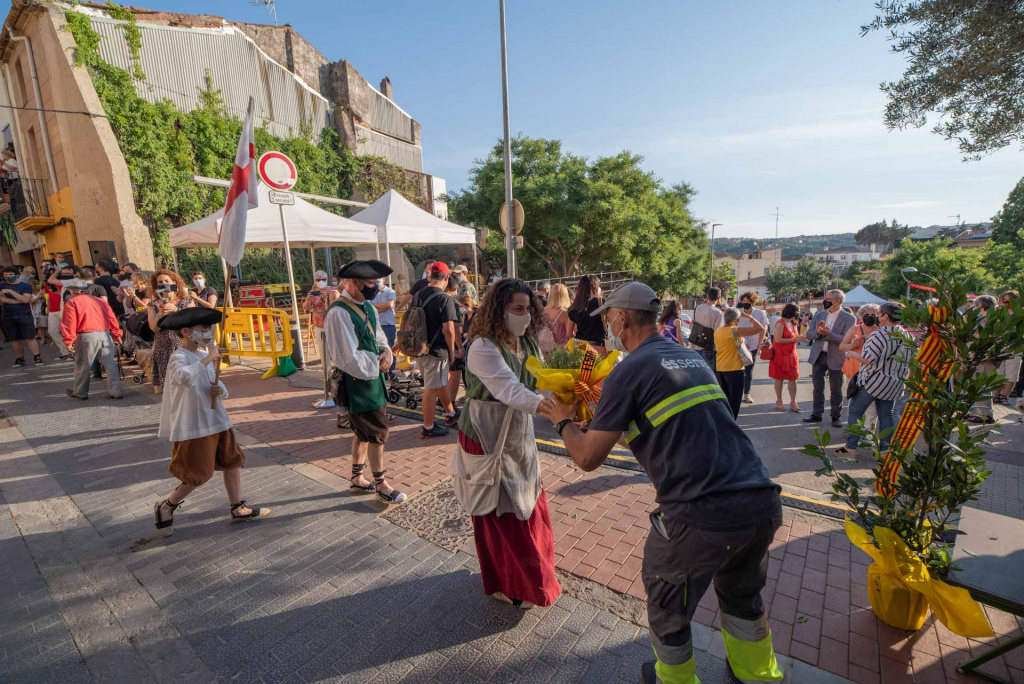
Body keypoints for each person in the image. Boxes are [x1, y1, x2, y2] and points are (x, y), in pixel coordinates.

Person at [537, 281, 784, 684]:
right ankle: (759, 676)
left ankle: (675, 680)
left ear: (621, 318)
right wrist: (599, 425)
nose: (610, 326)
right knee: (743, 601)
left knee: (667, 605)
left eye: (611, 318)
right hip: (759, 501)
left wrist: (563, 420)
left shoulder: (627, 371)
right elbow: (659, 424)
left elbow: (585, 459)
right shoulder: (689, 359)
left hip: (701, 511)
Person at [456, 278, 561, 609]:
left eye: (529, 309)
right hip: (485, 436)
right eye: (518, 309)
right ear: (498, 310)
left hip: (517, 433)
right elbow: (510, 390)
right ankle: (513, 585)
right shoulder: (483, 347)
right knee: (498, 513)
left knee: (528, 501)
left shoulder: (527, 345)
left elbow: (540, 382)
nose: (525, 315)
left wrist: (570, 400)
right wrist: (555, 413)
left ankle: (532, 580)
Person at [152, 307, 270, 536]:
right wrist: (208, 358)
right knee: (197, 474)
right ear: (186, 332)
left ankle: (238, 508)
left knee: (232, 461)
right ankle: (167, 506)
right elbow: (183, 378)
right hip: (197, 425)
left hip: (217, 419)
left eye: (209, 328)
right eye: (203, 329)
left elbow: (214, 385)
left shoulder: (199, 355)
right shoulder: (179, 356)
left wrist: (220, 390)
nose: (208, 332)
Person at [323, 260, 407, 504]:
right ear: (352, 282)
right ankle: (381, 484)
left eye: (375, 282)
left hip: (372, 378)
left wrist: (386, 352)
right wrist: (376, 362)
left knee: (362, 433)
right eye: (369, 282)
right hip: (358, 382)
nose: (374, 286)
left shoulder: (367, 307)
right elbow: (346, 357)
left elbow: (378, 335)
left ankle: (357, 478)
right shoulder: (339, 313)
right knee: (377, 433)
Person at [838, 302, 908, 454]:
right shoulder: (906, 334)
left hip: (874, 381)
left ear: (885, 317)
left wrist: (853, 354)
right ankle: (885, 450)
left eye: (879, 314)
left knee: (855, 410)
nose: (876, 317)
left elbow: (869, 359)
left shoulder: (879, 334)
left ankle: (851, 447)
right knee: (886, 414)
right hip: (895, 382)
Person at [413, 261, 462, 438]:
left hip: (420, 348)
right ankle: (428, 427)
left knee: (439, 382)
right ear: (447, 278)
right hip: (437, 351)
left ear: (430, 276)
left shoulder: (418, 294)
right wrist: (452, 350)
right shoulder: (445, 299)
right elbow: (449, 329)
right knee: (431, 388)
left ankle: (450, 414)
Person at [60, 279, 123, 400]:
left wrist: (69, 341)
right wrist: (116, 334)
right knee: (110, 365)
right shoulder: (100, 301)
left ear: (72, 291)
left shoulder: (72, 302)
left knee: (83, 366)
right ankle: (116, 392)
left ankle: (80, 393)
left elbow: (69, 323)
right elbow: (112, 318)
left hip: (86, 336)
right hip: (104, 334)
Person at [804, 289, 856, 427]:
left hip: (837, 357)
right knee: (817, 387)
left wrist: (829, 334)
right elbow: (808, 335)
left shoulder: (849, 318)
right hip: (818, 355)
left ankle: (835, 416)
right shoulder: (819, 315)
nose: (825, 301)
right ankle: (817, 413)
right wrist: (817, 331)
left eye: (828, 299)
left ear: (837, 301)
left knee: (836, 389)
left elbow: (845, 339)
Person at [148, 269, 195, 394]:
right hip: (164, 347)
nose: (164, 283)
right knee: (170, 384)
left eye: (166, 281)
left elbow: (193, 322)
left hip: (184, 344)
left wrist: (176, 311)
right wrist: (160, 314)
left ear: (174, 282)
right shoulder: (153, 304)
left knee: (187, 379)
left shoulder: (186, 301)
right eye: (160, 282)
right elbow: (153, 327)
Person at [714, 307, 765, 418]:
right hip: (734, 367)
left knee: (726, 398)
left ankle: (725, 421)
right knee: (735, 400)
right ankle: (732, 423)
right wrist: (750, 317)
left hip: (721, 367)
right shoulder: (735, 330)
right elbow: (759, 328)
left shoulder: (718, 330)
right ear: (736, 320)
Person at [1, 265, 42, 367]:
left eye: (10, 274)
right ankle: (20, 358)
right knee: (14, 339)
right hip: (8, 315)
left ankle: (37, 357)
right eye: (5, 274)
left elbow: (26, 300)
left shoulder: (25, 286)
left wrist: (10, 292)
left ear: (17, 275)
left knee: (30, 337)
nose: (8, 276)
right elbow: (2, 300)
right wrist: (20, 300)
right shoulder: (1, 286)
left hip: (24, 315)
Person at [769, 303, 807, 412]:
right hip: (780, 355)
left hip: (791, 354)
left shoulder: (793, 323)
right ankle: (779, 400)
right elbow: (777, 340)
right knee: (779, 378)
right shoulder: (780, 323)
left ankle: (793, 401)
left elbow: (796, 337)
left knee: (793, 378)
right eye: (797, 312)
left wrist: (801, 338)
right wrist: (794, 340)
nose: (798, 314)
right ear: (792, 312)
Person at [968, 296, 999, 424]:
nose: (973, 307)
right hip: (978, 357)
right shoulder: (982, 319)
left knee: (982, 386)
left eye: (975, 305)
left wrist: (974, 335)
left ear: (981, 305)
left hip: (986, 357)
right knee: (977, 386)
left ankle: (985, 415)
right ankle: (976, 412)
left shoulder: (992, 319)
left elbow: (990, 337)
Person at [737, 292, 769, 404]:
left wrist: (759, 345)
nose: (745, 303)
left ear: (753, 302)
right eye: (744, 301)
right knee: (737, 370)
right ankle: (737, 392)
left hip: (753, 346)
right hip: (739, 346)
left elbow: (763, 329)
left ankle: (747, 393)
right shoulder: (738, 313)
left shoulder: (760, 313)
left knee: (749, 371)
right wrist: (742, 342)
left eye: (748, 302)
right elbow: (734, 329)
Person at [838, 304, 881, 381]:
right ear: (861, 316)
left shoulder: (880, 330)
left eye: (873, 315)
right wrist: (853, 345)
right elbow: (841, 347)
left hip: (872, 368)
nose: (870, 317)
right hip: (854, 367)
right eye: (867, 314)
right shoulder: (854, 329)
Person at [568, 275, 606, 354]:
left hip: (580, 348)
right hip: (599, 347)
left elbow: (568, 334)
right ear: (595, 287)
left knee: (584, 367)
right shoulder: (602, 303)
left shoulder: (573, 307)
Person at [996, 291, 1021, 406]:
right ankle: (995, 395)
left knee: (1011, 373)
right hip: (1000, 344)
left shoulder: (1020, 313)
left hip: (1015, 345)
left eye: (1009, 300)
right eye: (1004, 300)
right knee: (998, 371)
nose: (1006, 303)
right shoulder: (999, 311)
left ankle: (1004, 396)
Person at [691, 287, 725, 368]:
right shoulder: (718, 313)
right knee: (709, 371)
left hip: (695, 342)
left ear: (707, 296)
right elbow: (718, 331)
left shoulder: (699, 307)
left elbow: (695, 322)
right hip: (708, 346)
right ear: (719, 297)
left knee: (698, 370)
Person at [371, 277, 397, 377]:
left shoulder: (390, 292)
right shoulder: (370, 292)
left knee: (390, 349)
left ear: (384, 279)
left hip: (388, 325)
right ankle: (381, 373)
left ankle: (391, 372)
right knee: (378, 351)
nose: (377, 281)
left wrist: (374, 307)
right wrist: (382, 306)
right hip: (375, 326)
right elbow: (367, 306)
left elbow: (389, 305)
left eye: (379, 279)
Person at [43, 264, 71, 358]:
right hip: (53, 311)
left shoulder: (65, 282)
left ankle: (70, 351)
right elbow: (49, 297)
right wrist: (48, 308)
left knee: (66, 331)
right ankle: (65, 350)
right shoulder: (48, 283)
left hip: (63, 309)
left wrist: (57, 270)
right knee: (52, 331)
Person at [539, 283, 571, 354]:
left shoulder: (544, 310)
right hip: (560, 351)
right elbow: (569, 334)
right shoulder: (564, 313)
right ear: (565, 296)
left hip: (545, 349)